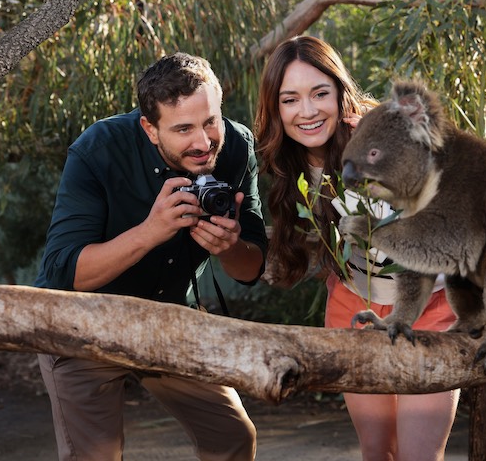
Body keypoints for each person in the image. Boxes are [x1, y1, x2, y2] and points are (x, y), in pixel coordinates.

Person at [34, 52, 267, 461]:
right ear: (150, 129)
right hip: (81, 322)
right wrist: (150, 232)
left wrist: (230, 248)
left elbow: (251, 268)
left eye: (209, 121)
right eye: (183, 129)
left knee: (233, 437)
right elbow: (64, 270)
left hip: (170, 315)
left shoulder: (234, 146)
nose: (203, 141)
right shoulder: (99, 149)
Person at [254, 35, 459, 461]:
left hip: (428, 307)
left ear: (340, 91)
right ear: (276, 109)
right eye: (290, 99)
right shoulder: (292, 163)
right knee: (377, 450)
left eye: (319, 94)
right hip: (354, 307)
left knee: (419, 454)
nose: (307, 111)